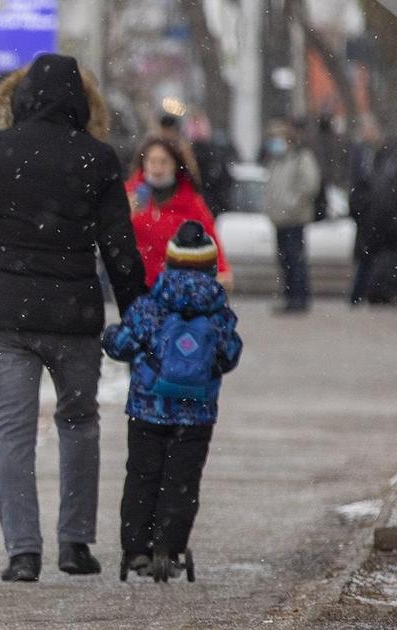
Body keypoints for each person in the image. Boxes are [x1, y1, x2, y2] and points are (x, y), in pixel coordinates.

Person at [0, 53, 147, 583]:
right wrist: (136, 316)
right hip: (74, 315)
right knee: (79, 423)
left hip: (6, 314)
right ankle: (76, 543)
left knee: (12, 430)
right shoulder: (98, 159)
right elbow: (120, 247)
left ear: (21, 97)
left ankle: (22, 552)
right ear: (81, 101)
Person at [102, 221, 242, 581]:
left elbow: (122, 346)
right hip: (196, 414)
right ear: (211, 267)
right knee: (182, 479)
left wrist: (111, 336)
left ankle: (136, 549)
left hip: (148, 408)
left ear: (169, 263)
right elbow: (229, 356)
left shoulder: (150, 307)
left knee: (143, 475)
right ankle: (169, 545)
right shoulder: (218, 313)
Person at [126, 136, 232, 291]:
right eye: (152, 161)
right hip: (137, 286)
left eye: (164, 162)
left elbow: (210, 239)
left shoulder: (190, 201)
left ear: (176, 165)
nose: (157, 169)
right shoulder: (130, 195)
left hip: (179, 291)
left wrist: (222, 272)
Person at [348, 118, 397, 305]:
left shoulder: (385, 156)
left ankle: (371, 293)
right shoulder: (363, 155)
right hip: (373, 213)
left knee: (377, 256)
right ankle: (362, 294)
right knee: (368, 256)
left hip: (381, 213)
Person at [262, 118, 321, 314]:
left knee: (295, 259)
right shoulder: (276, 161)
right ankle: (290, 298)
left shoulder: (300, 158)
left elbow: (309, 184)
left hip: (294, 218)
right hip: (279, 219)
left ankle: (299, 298)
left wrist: (291, 204)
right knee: (285, 260)